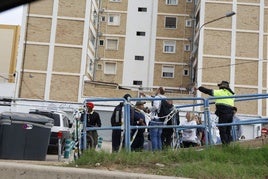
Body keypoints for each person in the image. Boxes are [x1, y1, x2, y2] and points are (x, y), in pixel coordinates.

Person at [196, 80, 235, 145]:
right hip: (231, 113)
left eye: (220, 86)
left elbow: (208, 91)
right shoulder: (232, 94)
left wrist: (199, 88)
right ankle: (229, 144)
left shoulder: (221, 92)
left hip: (223, 113)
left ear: (222, 87)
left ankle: (225, 145)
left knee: (222, 129)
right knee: (228, 129)